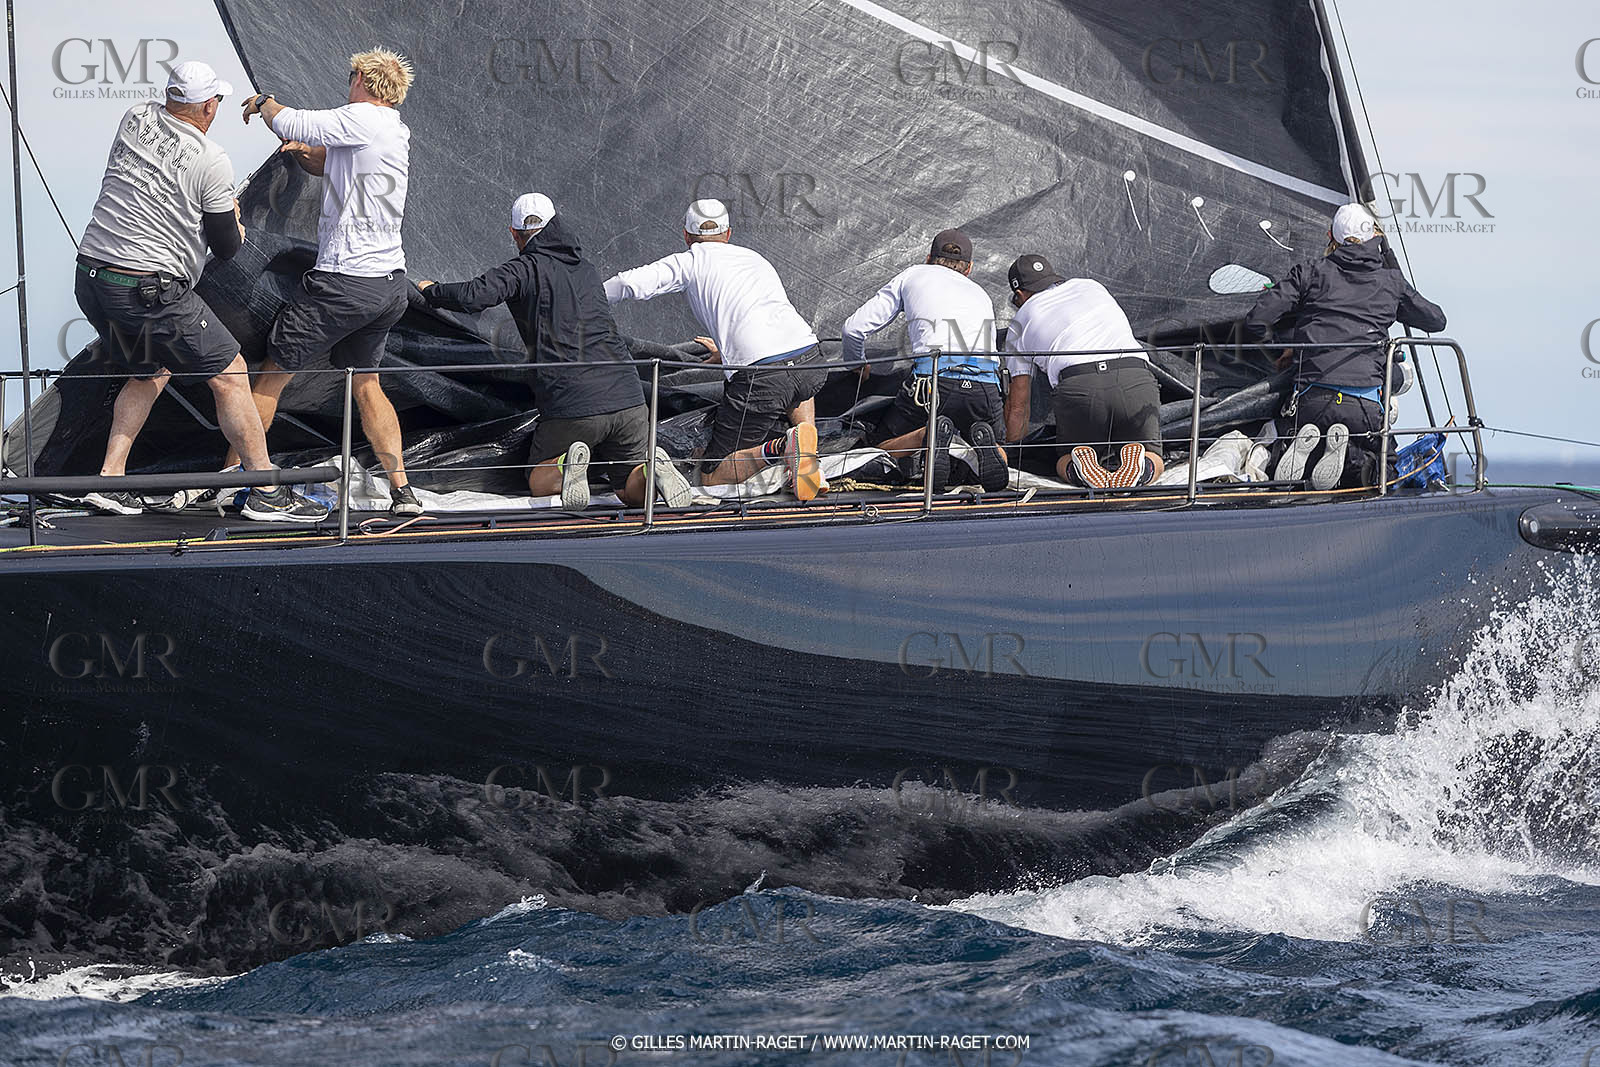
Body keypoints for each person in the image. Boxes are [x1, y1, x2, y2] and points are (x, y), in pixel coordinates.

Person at [73, 60, 326, 521]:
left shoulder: (135, 117)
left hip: (92, 279)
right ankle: (264, 487)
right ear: (209, 106)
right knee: (230, 372)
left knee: (153, 368)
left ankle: (110, 480)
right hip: (148, 288)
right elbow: (228, 247)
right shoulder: (211, 160)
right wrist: (232, 213)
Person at [235, 48, 422, 516]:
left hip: (344, 282)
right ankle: (403, 492)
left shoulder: (361, 116)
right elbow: (327, 160)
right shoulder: (393, 130)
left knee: (270, 375)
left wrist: (264, 104)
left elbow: (291, 121)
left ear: (361, 77)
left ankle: (241, 483)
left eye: (350, 75)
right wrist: (303, 155)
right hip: (388, 285)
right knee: (367, 383)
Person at [417, 193, 692, 510]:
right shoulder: (586, 270)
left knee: (537, 479)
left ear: (514, 234)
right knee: (631, 492)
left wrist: (430, 290)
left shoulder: (524, 268)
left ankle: (564, 466)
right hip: (628, 397)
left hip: (572, 403)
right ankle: (650, 470)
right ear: (556, 225)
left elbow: (473, 296)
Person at [603, 199, 828, 501]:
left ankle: (783, 449)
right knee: (792, 374)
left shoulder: (690, 262)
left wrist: (584, 302)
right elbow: (767, 320)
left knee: (713, 476)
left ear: (686, 236)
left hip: (763, 377)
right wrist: (728, 352)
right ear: (728, 233)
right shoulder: (754, 258)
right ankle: (808, 452)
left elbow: (626, 284)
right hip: (810, 358)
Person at [1245, 203, 1447, 490]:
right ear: (1375, 237)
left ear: (1331, 236)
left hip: (1311, 399)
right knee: (1382, 474)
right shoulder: (1391, 282)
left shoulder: (1311, 272)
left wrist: (1283, 349)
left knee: (1288, 437)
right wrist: (1391, 270)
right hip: (1364, 405)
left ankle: (1312, 452)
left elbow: (1256, 319)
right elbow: (1436, 320)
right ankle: (1347, 455)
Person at [843, 228, 1007, 493]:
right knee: (994, 442)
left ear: (928, 257)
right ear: (969, 268)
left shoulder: (914, 274)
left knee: (882, 445)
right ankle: (987, 448)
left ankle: (926, 436)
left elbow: (853, 329)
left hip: (934, 381)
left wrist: (856, 364)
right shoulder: (980, 293)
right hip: (986, 387)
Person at [1000, 254, 1163, 489]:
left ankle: (1079, 467)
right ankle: (1141, 468)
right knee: (1154, 455)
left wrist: (1013, 456)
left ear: (1020, 295)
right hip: (1133, 374)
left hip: (1079, 385)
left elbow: (1019, 405)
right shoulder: (1091, 286)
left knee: (1065, 458)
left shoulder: (1020, 322)